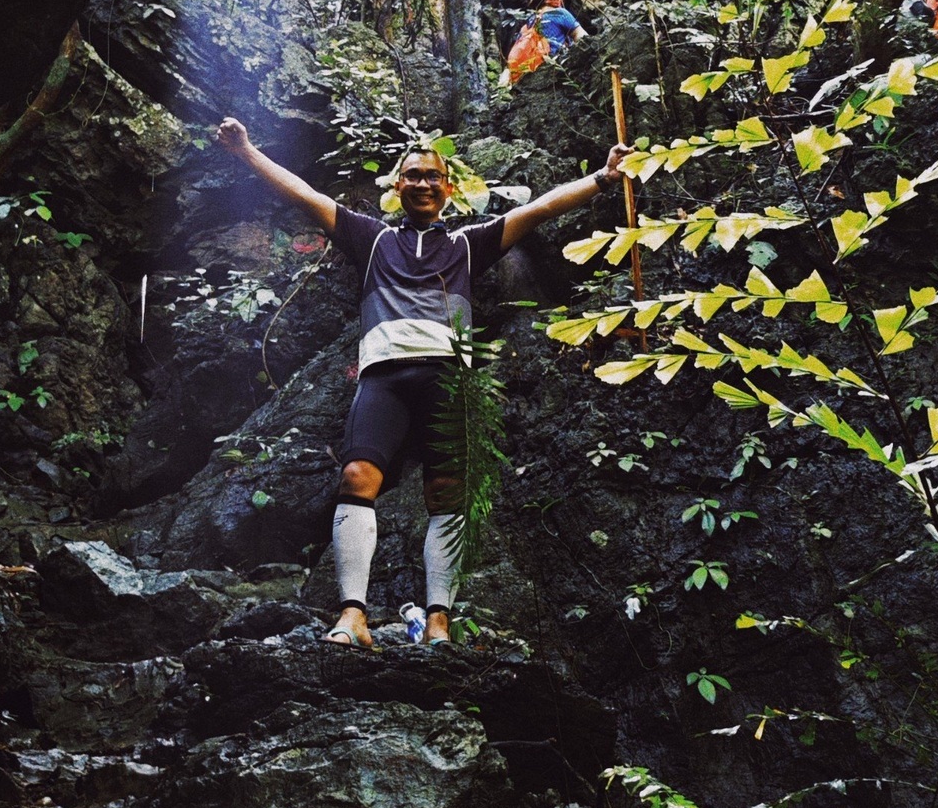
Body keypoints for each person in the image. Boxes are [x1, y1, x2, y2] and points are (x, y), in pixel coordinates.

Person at [214, 117, 630, 648]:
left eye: (433, 176)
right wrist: (247, 151)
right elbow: (306, 194)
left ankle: (438, 622)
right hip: (383, 376)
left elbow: (538, 209)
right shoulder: (371, 238)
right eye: (412, 175)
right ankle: (352, 617)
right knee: (357, 478)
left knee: (446, 492)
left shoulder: (467, 243)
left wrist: (602, 177)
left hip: (447, 377)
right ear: (397, 187)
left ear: (448, 188)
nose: (423, 184)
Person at [500, 0, 587, 86]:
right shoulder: (560, 13)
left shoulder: (530, 22)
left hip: (529, 71)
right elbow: (583, 37)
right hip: (554, 66)